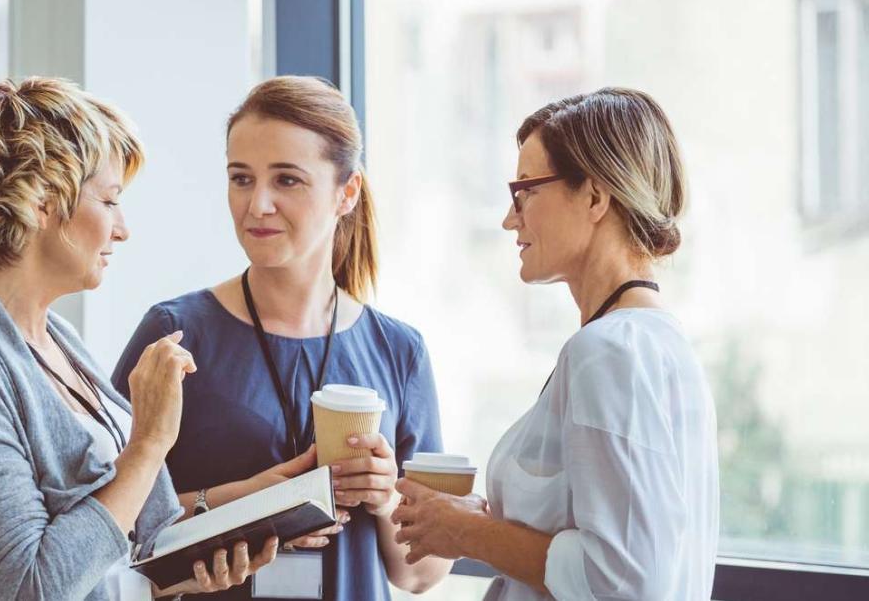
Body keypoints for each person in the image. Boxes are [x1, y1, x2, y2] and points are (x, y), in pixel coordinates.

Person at [0, 77, 278, 600]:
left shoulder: (57, 338)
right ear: (43, 203)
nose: (122, 229)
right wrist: (149, 442)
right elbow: (33, 585)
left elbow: (119, 554)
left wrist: (193, 566)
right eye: (110, 200)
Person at [111, 76, 452, 600]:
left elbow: (420, 576)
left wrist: (385, 500)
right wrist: (241, 503)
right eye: (241, 178)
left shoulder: (400, 351)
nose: (257, 205)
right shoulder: (174, 335)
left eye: (287, 180)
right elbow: (107, 525)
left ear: (347, 192)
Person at [391, 88, 720, 600]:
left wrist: (469, 533)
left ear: (594, 196)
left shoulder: (609, 352)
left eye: (526, 191)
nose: (509, 218)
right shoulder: (656, 343)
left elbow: (627, 584)